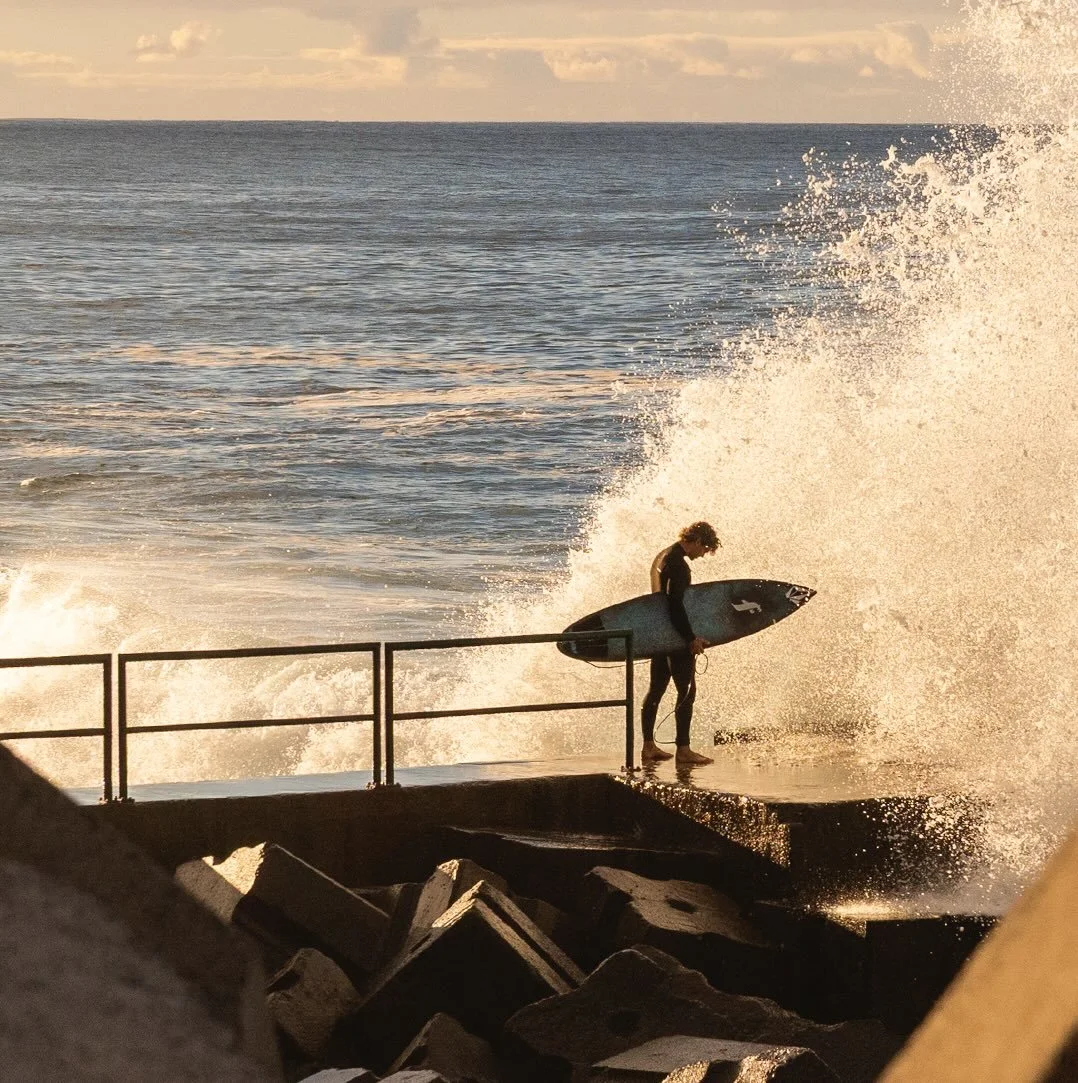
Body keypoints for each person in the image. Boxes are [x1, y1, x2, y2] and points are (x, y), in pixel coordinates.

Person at [640, 520, 720, 765]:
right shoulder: (678, 565)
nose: (704, 554)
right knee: (687, 692)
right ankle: (683, 750)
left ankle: (648, 747)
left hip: (661, 635)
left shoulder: (664, 556)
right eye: (704, 548)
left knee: (656, 690)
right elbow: (675, 605)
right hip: (675, 638)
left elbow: (661, 602)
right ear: (695, 540)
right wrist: (690, 638)